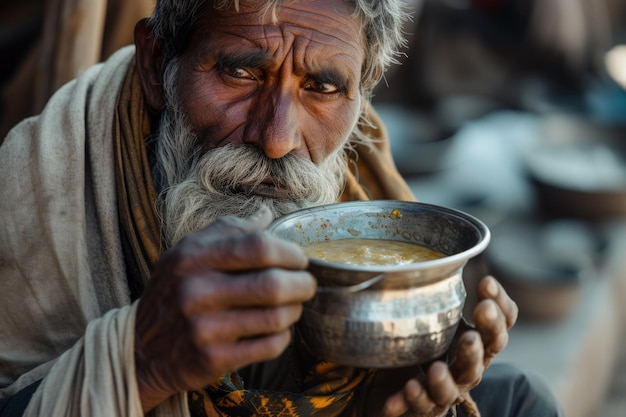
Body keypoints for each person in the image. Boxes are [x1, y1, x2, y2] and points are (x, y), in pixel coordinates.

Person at [0, 1, 565, 416]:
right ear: (156, 65)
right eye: (241, 71)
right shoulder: (39, 183)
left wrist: (383, 390)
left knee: (519, 400)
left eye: (320, 87)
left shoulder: (360, 169)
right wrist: (141, 364)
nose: (276, 138)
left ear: (361, 96)